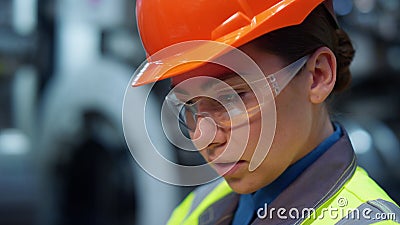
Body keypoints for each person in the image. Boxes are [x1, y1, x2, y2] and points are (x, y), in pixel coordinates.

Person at [130, 0, 400, 224]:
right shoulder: (197, 210)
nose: (203, 136)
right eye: (190, 104)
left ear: (317, 75)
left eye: (231, 97)